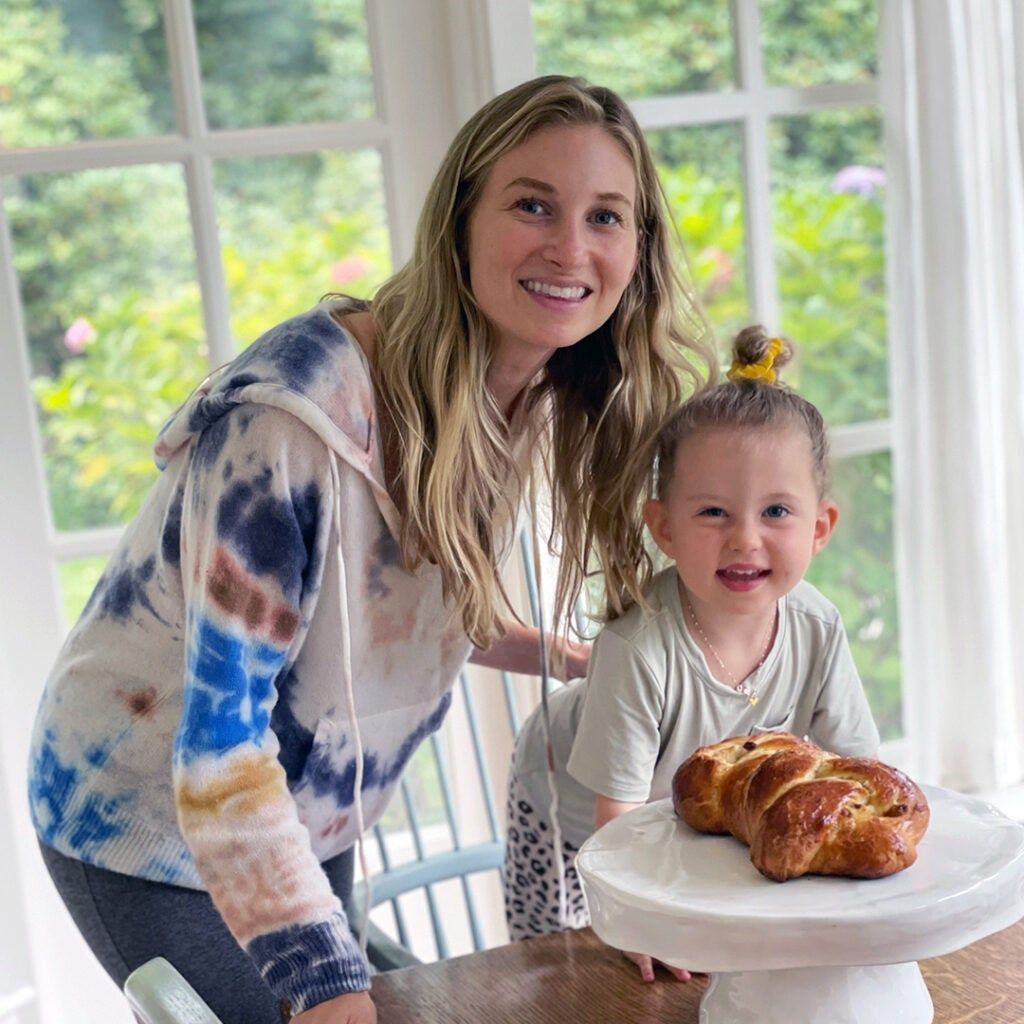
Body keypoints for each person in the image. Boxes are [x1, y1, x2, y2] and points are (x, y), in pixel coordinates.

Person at [27, 76, 712, 1024]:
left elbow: (378, 597)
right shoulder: (292, 427)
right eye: (532, 205)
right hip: (142, 815)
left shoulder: (516, 386)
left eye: (606, 215)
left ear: (638, 247)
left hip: (302, 803)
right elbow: (219, 743)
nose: (570, 248)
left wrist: (557, 654)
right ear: (459, 221)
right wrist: (324, 982)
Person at [503, 327, 881, 982]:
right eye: (712, 512)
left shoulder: (816, 626)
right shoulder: (637, 648)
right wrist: (639, 923)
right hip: (573, 807)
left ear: (819, 528)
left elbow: (859, 772)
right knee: (561, 969)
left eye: (776, 511)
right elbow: (617, 825)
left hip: (687, 808)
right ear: (665, 528)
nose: (745, 539)